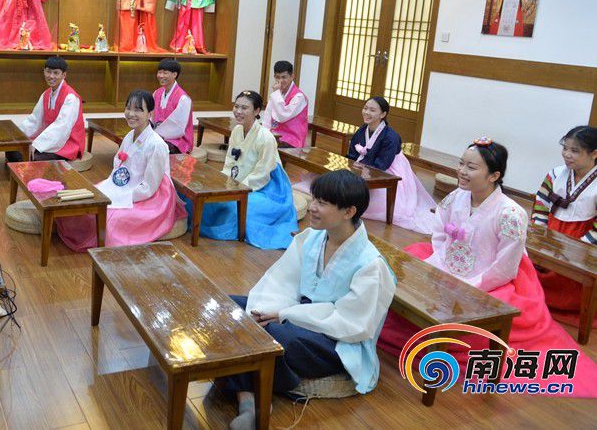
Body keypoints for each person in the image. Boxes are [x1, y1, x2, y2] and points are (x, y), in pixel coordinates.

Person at [377, 138, 597, 397]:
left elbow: (504, 266)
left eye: (471, 167)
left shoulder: (510, 213)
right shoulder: (456, 197)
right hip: (447, 264)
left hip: (488, 278)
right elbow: (440, 233)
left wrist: (470, 285)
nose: (461, 171)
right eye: (461, 164)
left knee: (473, 322)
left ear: (494, 175)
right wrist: (440, 264)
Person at [220, 170, 395, 430]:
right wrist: (269, 310)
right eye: (314, 199)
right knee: (229, 307)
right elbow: (283, 280)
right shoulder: (312, 238)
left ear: (348, 212)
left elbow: (352, 324)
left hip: (337, 340)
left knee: (276, 335)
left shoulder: (370, 265)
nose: (311, 207)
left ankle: (250, 401)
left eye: (321, 203)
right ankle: (249, 395)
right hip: (298, 315)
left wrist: (286, 315)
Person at [56, 91, 187, 250]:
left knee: (110, 218)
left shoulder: (157, 145)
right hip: (125, 185)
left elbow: (150, 187)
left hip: (150, 196)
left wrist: (121, 195)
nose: (131, 114)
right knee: (87, 201)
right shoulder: (130, 135)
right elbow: (118, 165)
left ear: (150, 114)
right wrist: (114, 189)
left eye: (138, 110)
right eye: (128, 108)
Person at [184, 91, 298, 250]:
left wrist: (238, 191)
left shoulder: (266, 138)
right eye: (236, 106)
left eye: (244, 108)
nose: (238, 111)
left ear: (257, 111)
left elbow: (263, 174)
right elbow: (230, 162)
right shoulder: (237, 130)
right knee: (204, 198)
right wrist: (222, 185)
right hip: (238, 181)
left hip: (267, 187)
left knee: (233, 208)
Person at [531, 126, 596, 321]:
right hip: (551, 234)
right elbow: (541, 204)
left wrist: (580, 248)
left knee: (572, 277)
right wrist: (540, 235)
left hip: (584, 242)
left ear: (594, 154)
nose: (567, 154)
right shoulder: (555, 174)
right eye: (565, 148)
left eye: (575, 151)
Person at [344, 96, 435, 234]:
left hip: (389, 168)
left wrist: (360, 170)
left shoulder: (391, 137)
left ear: (383, 114)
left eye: (372, 110)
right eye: (365, 108)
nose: (366, 112)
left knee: (377, 200)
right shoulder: (362, 130)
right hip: (365, 165)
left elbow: (382, 165)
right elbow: (351, 154)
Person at [7, 56, 86, 163]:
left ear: (64, 75)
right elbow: (35, 120)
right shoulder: (46, 94)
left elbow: (62, 127)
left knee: (27, 157)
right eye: (48, 72)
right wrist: (17, 135)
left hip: (68, 142)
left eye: (56, 73)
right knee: (12, 149)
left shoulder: (70, 97)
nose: (51, 76)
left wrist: (37, 145)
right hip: (51, 139)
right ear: (44, 72)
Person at [261, 60, 308, 149]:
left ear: (292, 76)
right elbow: (267, 116)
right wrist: (263, 134)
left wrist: (276, 93)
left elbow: (283, 116)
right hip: (275, 135)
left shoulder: (299, 97)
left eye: (284, 77)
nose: (280, 81)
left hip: (292, 139)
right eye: (277, 77)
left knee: (268, 147)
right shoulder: (277, 93)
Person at [152, 58, 194, 155]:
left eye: (165, 73)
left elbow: (178, 128)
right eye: (159, 72)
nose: (161, 76)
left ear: (174, 74)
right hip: (157, 134)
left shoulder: (183, 98)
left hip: (178, 139)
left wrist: (157, 135)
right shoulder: (156, 93)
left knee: (159, 147)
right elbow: (151, 117)